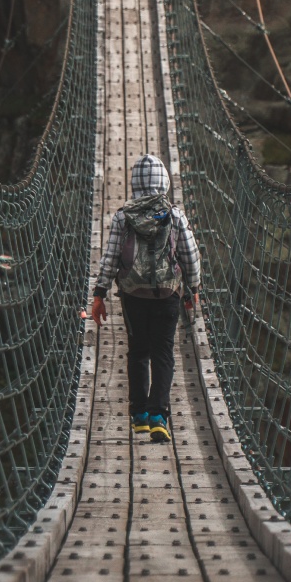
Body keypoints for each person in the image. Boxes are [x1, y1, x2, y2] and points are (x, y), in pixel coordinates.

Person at [91, 154, 201, 443]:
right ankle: (158, 415)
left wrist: (99, 294)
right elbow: (189, 255)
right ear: (164, 181)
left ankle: (138, 415)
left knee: (138, 351)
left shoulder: (123, 216)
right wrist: (193, 288)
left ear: (134, 182)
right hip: (167, 294)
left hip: (133, 294)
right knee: (163, 353)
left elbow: (111, 257)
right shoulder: (175, 215)